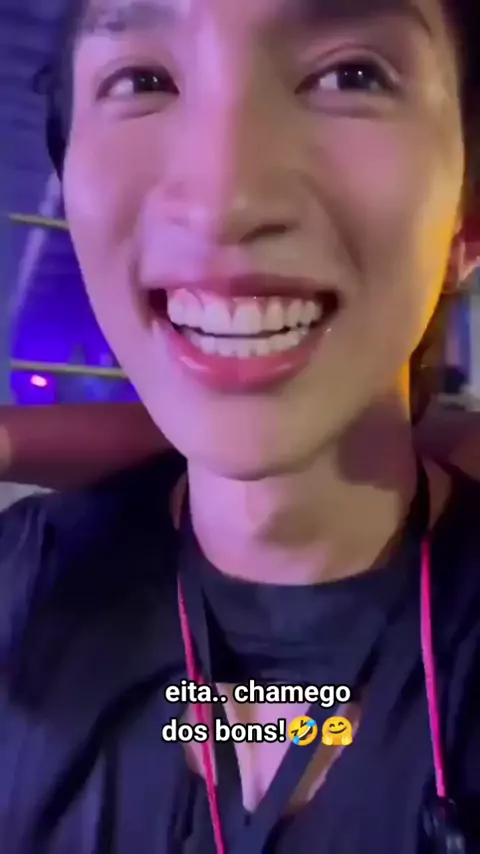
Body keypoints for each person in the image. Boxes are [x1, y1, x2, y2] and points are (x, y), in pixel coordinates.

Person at [2, 1, 480, 852]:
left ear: (466, 222)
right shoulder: (19, 593)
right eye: (143, 80)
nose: (223, 201)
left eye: (353, 75)